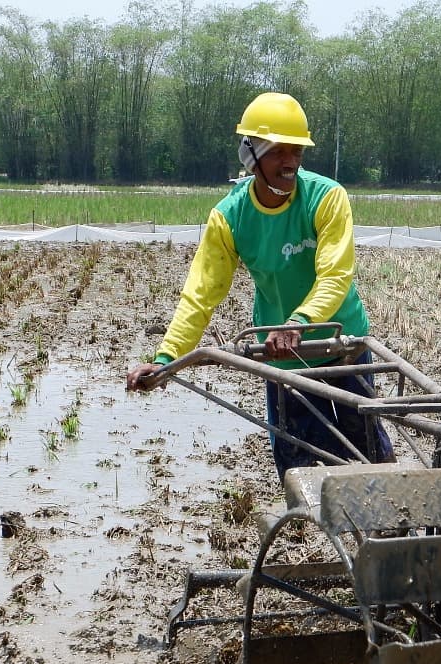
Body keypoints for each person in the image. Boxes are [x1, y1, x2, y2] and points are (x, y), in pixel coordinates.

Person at [125, 92, 393, 479]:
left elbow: (335, 275)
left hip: (340, 343)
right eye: (278, 151)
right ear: (250, 155)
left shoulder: (326, 198)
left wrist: (297, 322)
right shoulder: (230, 216)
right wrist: (166, 360)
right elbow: (201, 293)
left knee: (369, 452)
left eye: (297, 151)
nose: (290, 161)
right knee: (302, 465)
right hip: (281, 357)